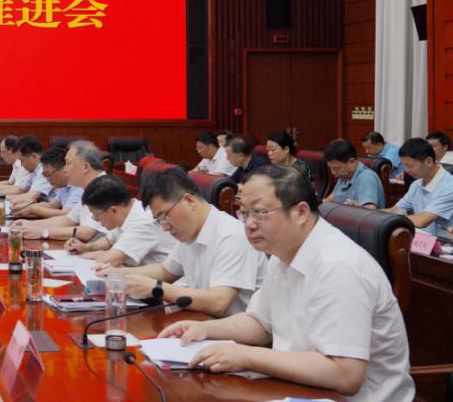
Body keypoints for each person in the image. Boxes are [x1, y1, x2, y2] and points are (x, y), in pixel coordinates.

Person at [160, 165, 413, 401]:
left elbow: (345, 375)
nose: (248, 224)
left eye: (260, 212)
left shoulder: (338, 266)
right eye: (244, 213)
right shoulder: (282, 254)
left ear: (300, 212)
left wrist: (246, 356)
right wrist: (204, 330)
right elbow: (260, 323)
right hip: (297, 389)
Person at [100, 167, 265, 316]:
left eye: (164, 216)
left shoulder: (232, 235)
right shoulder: (190, 232)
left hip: (235, 333)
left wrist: (157, 288)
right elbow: (165, 271)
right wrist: (118, 274)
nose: (164, 227)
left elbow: (219, 302)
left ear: (189, 201)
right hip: (202, 322)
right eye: (159, 220)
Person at [11, 140, 110, 248]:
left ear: (85, 167)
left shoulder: (104, 188)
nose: (65, 169)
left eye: (68, 163)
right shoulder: (88, 188)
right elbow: (68, 220)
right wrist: (28, 224)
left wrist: (43, 232)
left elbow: (86, 233)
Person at [77, 174, 177, 267]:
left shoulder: (142, 221)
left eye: (96, 216)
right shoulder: (127, 211)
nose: (97, 221)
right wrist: (87, 247)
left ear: (113, 210)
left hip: (160, 277)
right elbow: (109, 241)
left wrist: (99, 254)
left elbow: (111, 260)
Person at [386, 137, 453, 236]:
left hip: (444, 243)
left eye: (410, 166)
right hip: (421, 240)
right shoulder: (416, 184)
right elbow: (394, 210)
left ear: (428, 161)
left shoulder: (449, 186)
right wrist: (367, 213)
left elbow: (422, 220)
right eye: (404, 166)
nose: (406, 171)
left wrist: (393, 218)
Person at [8, 147, 80, 217]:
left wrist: (33, 210)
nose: (47, 179)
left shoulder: (77, 186)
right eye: (45, 175)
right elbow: (52, 205)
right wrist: (27, 206)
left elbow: (66, 214)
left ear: (63, 168)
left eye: (48, 175)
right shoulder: (63, 186)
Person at [322, 138, 385, 209]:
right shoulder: (343, 176)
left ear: (351, 162)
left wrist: (356, 208)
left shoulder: (367, 178)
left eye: (337, 168)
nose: (333, 172)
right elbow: (329, 200)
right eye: (330, 168)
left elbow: (370, 209)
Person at [4, 135, 49, 207]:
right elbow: (20, 189)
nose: (21, 165)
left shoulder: (45, 169)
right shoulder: (34, 170)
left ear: (33, 156)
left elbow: (29, 197)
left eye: (22, 160)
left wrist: (0, 197)